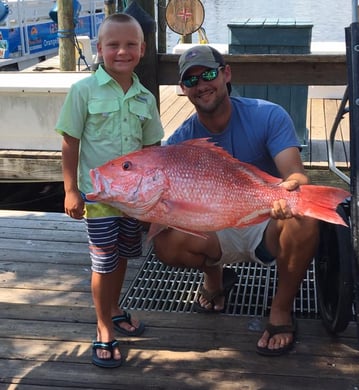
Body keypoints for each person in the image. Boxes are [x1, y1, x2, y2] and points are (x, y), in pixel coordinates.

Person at [153, 45, 319, 356]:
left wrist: (288, 191)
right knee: (165, 241)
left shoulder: (268, 115)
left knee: (304, 214)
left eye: (209, 74)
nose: (202, 85)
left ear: (226, 73)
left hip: (266, 220)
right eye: (191, 81)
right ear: (182, 89)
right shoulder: (179, 144)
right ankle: (215, 278)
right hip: (218, 228)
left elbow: (296, 175)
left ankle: (281, 309)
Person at [55, 13, 164, 368]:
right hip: (100, 199)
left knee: (122, 257)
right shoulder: (83, 92)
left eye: (131, 44)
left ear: (143, 49)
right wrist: (71, 190)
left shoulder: (146, 98)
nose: (122, 51)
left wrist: (155, 202)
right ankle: (104, 328)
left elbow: (153, 153)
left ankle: (114, 308)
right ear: (99, 49)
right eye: (113, 45)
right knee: (103, 262)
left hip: (134, 203)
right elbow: (70, 142)